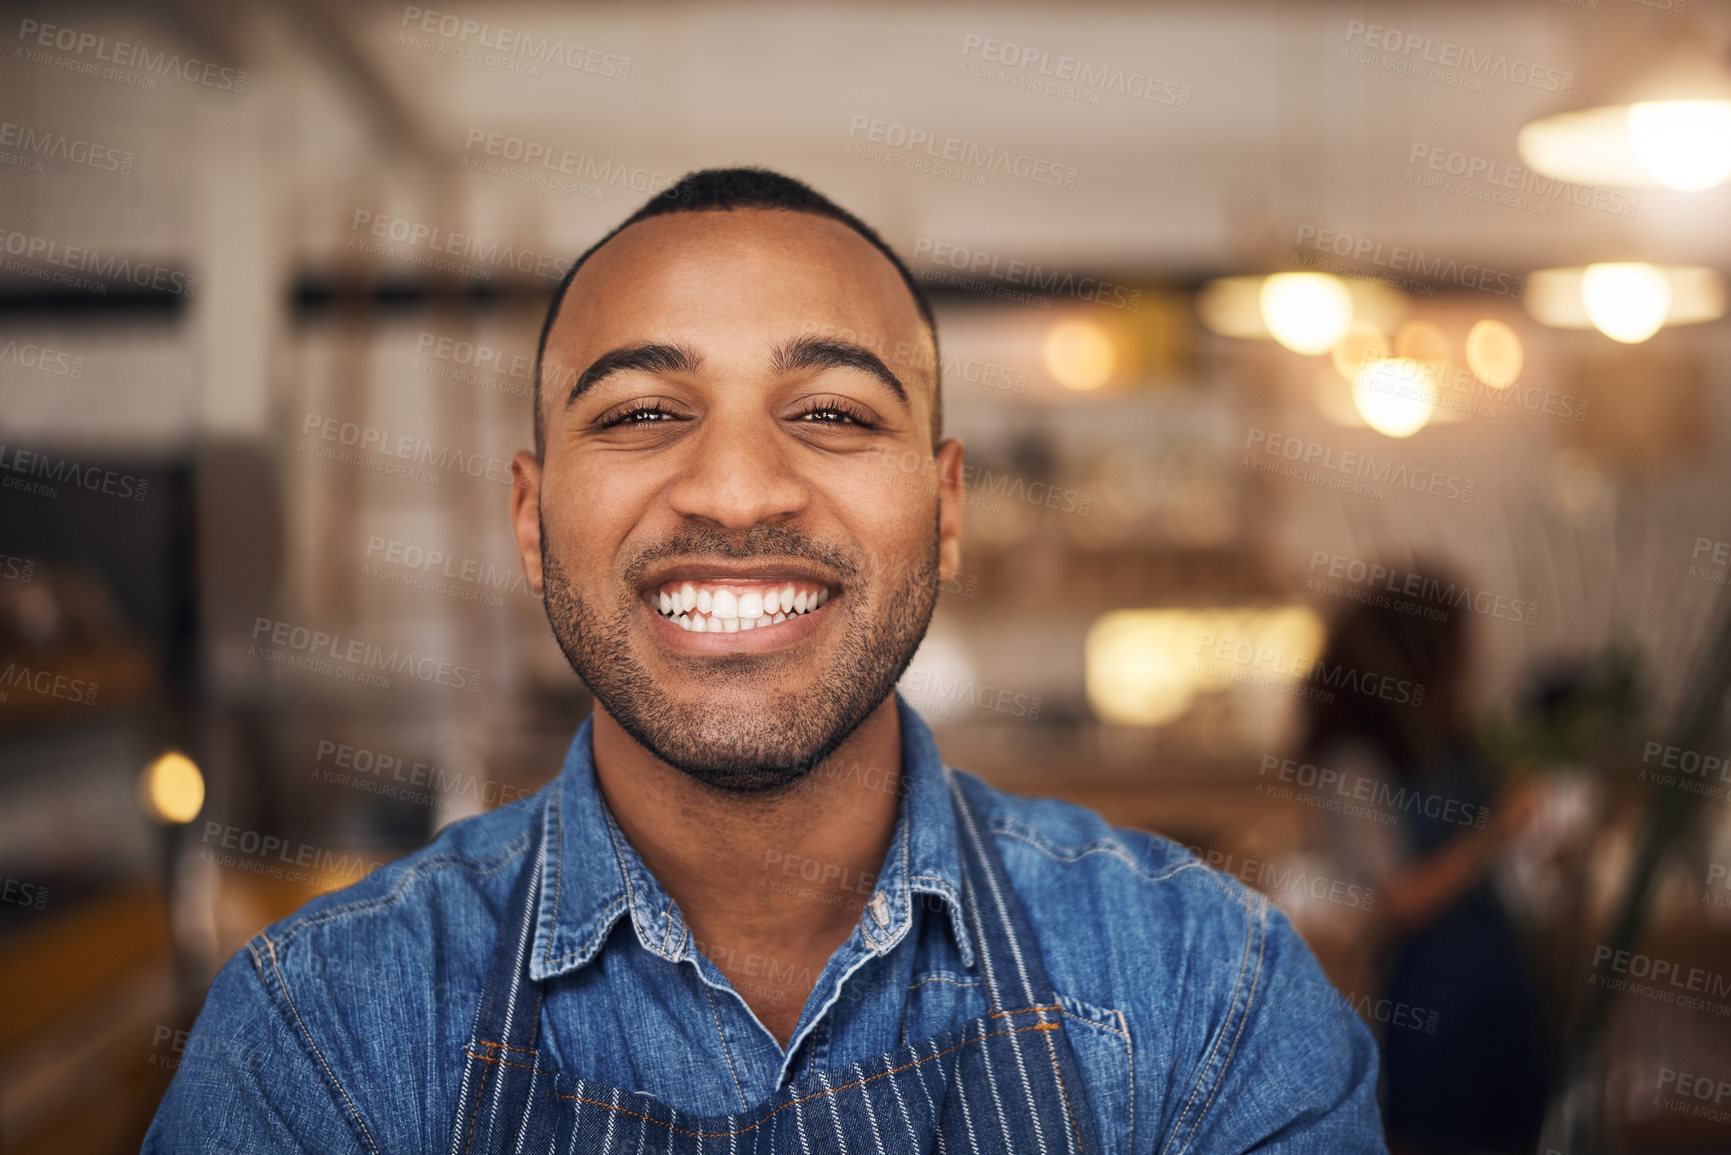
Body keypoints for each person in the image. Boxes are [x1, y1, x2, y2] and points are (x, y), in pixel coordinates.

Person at [146, 168, 1384, 1152]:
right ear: (530, 521)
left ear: (947, 511)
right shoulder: (324, 1035)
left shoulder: (1209, 998)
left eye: (836, 414)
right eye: (640, 414)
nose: (736, 489)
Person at [1302, 582, 1549, 1155]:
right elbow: (1396, 900)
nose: (1471, 666)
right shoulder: (1352, 761)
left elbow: (1503, 874)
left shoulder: (1454, 745)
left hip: (1504, 993)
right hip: (1430, 1008)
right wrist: (1496, 835)